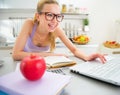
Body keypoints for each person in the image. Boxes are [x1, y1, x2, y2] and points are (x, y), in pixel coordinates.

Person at [12, 0, 106, 63]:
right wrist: (50, 55)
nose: (55, 21)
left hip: (42, 65)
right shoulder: (29, 24)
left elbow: (74, 50)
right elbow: (16, 55)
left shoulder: (57, 30)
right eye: (49, 15)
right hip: (23, 65)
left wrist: (87, 57)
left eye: (58, 16)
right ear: (38, 16)